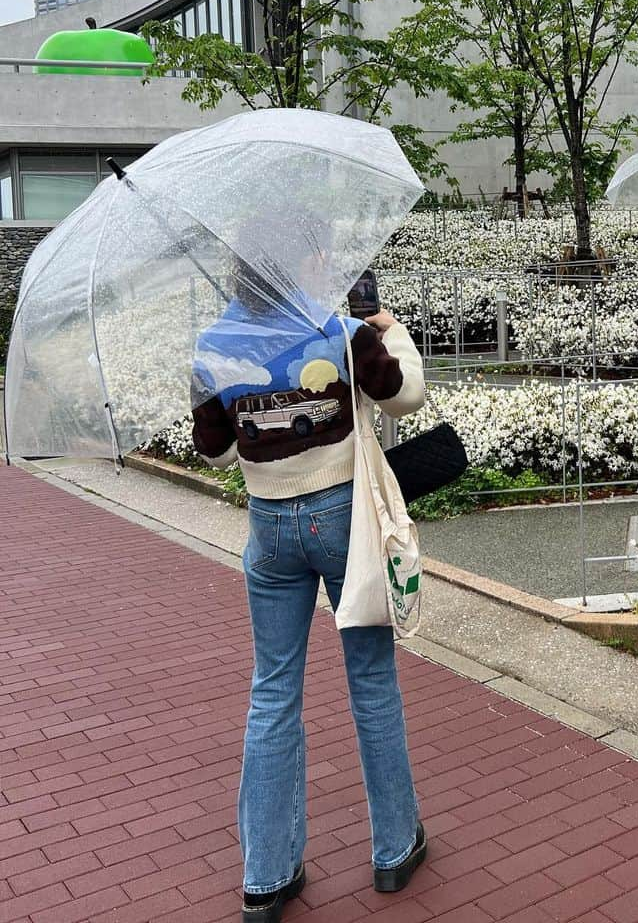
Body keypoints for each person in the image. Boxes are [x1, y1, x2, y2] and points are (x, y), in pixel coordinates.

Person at [190, 261, 427, 923]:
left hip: (268, 529)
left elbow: (215, 451)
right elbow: (405, 398)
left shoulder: (213, 346)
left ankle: (266, 878)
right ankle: (393, 851)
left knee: (272, 693)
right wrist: (393, 329)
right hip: (343, 521)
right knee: (372, 682)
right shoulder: (340, 329)